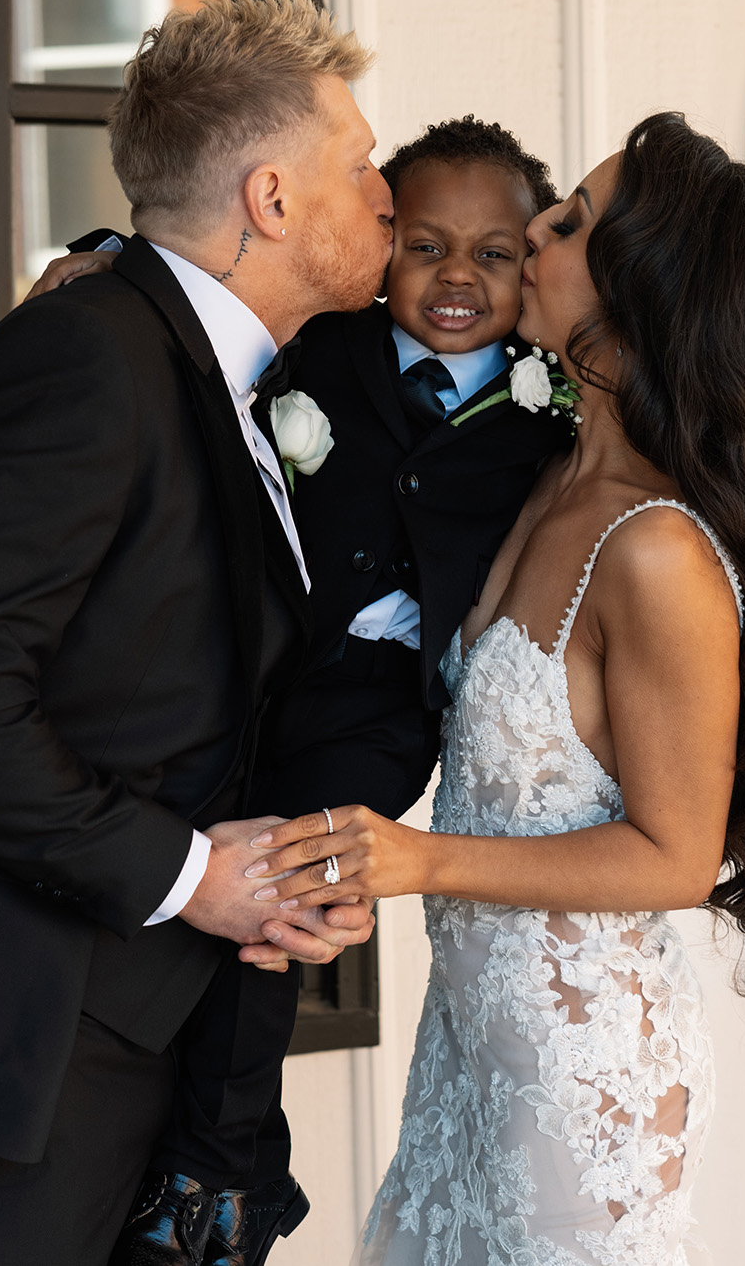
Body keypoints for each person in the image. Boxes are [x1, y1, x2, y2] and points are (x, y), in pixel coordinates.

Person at [0, 0, 390, 1266]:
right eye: (363, 164)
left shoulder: (230, 369)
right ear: (271, 200)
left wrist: (277, 880)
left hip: (126, 1029)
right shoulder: (82, 358)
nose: (387, 198)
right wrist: (194, 880)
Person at [245, 112, 745, 1264]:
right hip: (474, 1053)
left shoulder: (654, 551)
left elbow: (675, 857)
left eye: (569, 221)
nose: (529, 233)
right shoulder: (543, 476)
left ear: (637, 299)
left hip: (580, 1087)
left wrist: (413, 857)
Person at [50, 117, 575, 1264]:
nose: (456, 278)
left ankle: (218, 1176)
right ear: (381, 243)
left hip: (377, 704)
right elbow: (198, 301)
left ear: (532, 266)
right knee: (194, 870)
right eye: (425, 245)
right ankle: (180, 1143)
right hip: (254, 665)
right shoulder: (322, 343)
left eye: (493, 255)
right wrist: (95, 251)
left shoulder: (555, 404)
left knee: (288, 887)